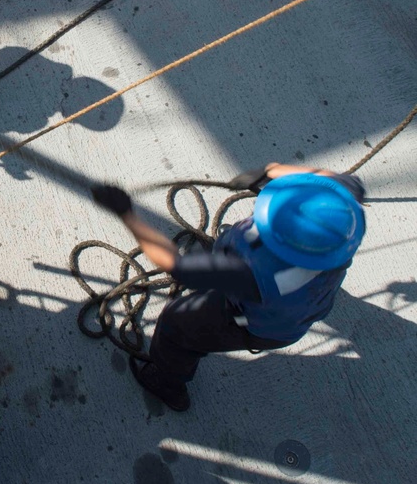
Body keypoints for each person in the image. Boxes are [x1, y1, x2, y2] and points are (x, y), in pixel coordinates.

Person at [92, 162, 366, 412]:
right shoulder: (342, 215)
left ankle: (168, 384)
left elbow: (178, 267)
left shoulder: (258, 272)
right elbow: (328, 180)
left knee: (177, 324)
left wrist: (127, 215)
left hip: (257, 321)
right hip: (309, 299)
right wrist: (271, 170)